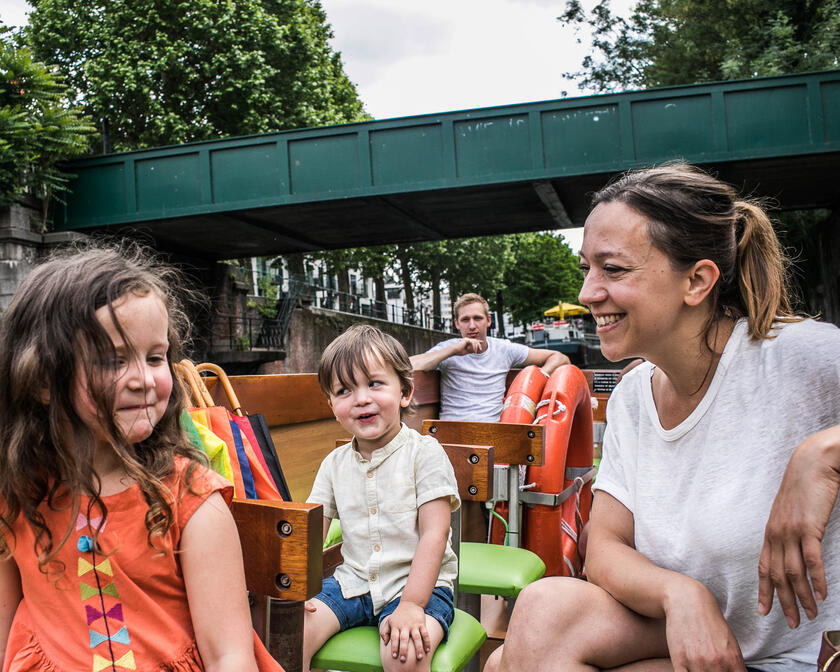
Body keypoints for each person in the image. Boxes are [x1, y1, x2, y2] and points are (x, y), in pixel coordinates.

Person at [485, 164, 840, 672]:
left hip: (802, 658)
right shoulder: (633, 395)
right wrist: (679, 594)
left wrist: (823, 454)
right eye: (587, 268)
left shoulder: (803, 358)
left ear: (696, 281)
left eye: (613, 269)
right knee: (540, 615)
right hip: (695, 645)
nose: (587, 292)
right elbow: (604, 547)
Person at [0, 246, 280, 671]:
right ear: (42, 380)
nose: (145, 380)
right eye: (114, 360)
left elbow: (229, 655)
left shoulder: (192, 501)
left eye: (155, 357)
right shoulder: (16, 494)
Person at [303, 325, 460, 672]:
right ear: (332, 406)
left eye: (374, 384)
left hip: (420, 587)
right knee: (290, 631)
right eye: (344, 390)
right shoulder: (333, 464)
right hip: (353, 583)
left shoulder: (425, 454)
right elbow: (312, 531)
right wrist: (299, 589)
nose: (361, 398)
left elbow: (435, 535)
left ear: (404, 392)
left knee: (404, 654)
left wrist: (412, 604)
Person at [409, 293, 568, 421]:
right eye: (465, 320)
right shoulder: (448, 349)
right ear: (457, 324)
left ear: (488, 321)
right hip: (451, 434)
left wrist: (539, 378)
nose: (472, 325)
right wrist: (454, 350)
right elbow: (408, 366)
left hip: (493, 436)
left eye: (477, 318)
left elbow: (559, 357)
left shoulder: (504, 349)